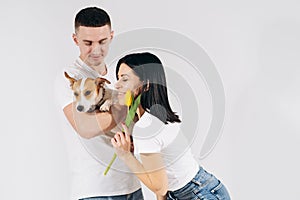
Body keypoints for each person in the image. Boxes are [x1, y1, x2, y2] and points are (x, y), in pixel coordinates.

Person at [111, 52, 231, 200]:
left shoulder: (146, 126)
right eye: (118, 78)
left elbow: (160, 188)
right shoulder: (156, 118)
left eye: (125, 79)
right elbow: (162, 189)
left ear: (146, 84)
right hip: (198, 189)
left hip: (198, 194)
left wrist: (126, 155)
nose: (117, 85)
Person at [57, 7, 143, 200]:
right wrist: (122, 106)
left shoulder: (118, 74)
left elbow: (138, 117)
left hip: (133, 184)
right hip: (97, 191)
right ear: (75, 39)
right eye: (88, 43)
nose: (96, 50)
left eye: (102, 42)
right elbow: (86, 127)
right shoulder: (72, 79)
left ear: (111, 36)